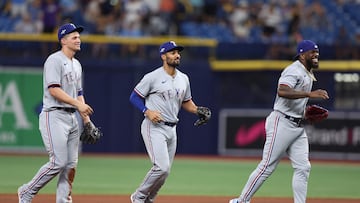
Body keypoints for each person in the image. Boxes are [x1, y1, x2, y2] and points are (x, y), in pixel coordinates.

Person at [229, 40, 329, 203]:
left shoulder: (307, 72)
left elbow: (294, 102)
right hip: (281, 122)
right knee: (267, 166)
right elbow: (282, 90)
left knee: (303, 168)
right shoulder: (294, 70)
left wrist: (304, 112)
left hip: (297, 125)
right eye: (312, 52)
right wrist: (310, 95)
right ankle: (241, 200)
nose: (316, 55)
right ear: (302, 55)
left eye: (317, 52)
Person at [17, 23, 94, 203]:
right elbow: (54, 90)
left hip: (72, 117)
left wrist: (87, 120)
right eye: (74, 37)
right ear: (63, 40)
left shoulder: (77, 65)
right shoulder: (54, 60)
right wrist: (78, 105)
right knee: (57, 162)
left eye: (79, 36)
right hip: (54, 115)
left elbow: (79, 94)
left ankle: (63, 200)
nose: (78, 39)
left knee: (70, 165)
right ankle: (27, 191)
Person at [129, 41, 210, 203]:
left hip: (172, 129)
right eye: (172, 52)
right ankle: (138, 197)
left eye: (178, 52)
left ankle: (149, 199)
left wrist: (197, 110)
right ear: (163, 56)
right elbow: (134, 97)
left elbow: (186, 101)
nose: (177, 55)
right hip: (154, 127)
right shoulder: (152, 77)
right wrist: (147, 111)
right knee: (161, 167)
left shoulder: (183, 78)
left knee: (165, 172)